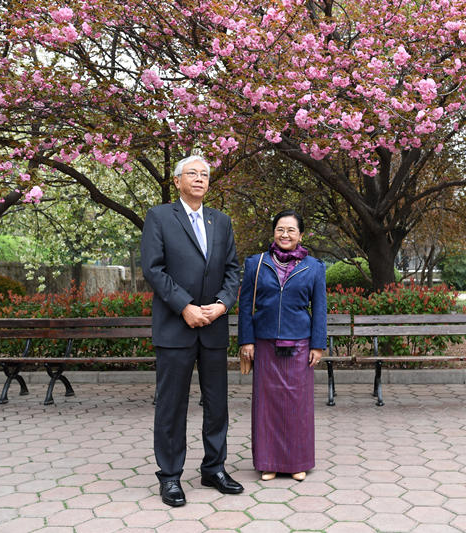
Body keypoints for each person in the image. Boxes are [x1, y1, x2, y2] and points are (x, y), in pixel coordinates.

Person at [140, 155, 243, 507]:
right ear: (177, 181)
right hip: (175, 326)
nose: (199, 178)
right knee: (172, 405)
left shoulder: (221, 221)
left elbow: (232, 270)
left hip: (213, 327)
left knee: (217, 404)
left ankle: (214, 468)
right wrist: (185, 306)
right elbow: (153, 269)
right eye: (192, 173)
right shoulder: (159, 217)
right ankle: (170, 476)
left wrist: (223, 304)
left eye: (205, 174)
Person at [237, 209, 327, 482]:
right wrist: (246, 340)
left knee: (297, 405)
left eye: (291, 230)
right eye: (280, 229)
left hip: (299, 344)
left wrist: (318, 345)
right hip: (264, 344)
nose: (285, 234)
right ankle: (269, 463)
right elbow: (245, 306)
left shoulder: (314, 267)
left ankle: (297, 463)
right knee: (267, 405)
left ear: (300, 235)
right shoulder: (256, 263)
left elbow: (320, 308)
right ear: (273, 232)